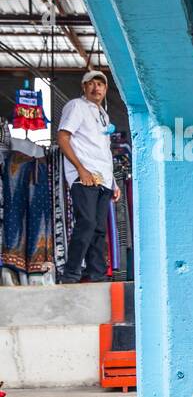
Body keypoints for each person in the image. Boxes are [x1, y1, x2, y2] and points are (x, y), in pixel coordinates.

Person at [56, 69, 120, 284]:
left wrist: (114, 182)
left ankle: (97, 273)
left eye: (100, 84)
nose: (96, 87)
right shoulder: (76, 106)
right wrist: (81, 170)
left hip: (103, 178)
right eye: (91, 83)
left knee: (99, 228)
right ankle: (71, 273)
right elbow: (63, 137)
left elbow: (103, 149)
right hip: (84, 176)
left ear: (105, 88)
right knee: (87, 222)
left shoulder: (103, 114)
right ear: (84, 87)